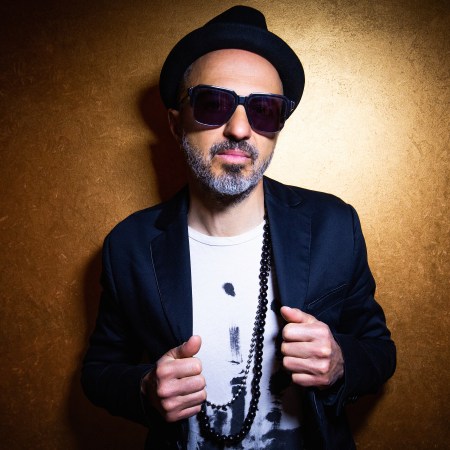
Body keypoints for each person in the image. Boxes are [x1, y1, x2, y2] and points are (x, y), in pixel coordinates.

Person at [81, 5, 396, 449]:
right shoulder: (128, 246)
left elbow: (379, 350)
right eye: (213, 103)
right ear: (175, 123)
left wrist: (341, 362)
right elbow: (99, 370)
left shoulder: (333, 225)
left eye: (264, 110)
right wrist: (145, 389)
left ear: (278, 127)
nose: (240, 128)